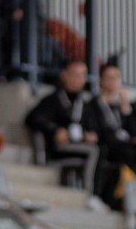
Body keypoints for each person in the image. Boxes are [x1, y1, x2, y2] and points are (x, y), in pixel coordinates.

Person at [24, 59, 102, 199]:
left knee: (101, 148)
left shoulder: (84, 102)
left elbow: (92, 128)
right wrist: (55, 130)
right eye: (75, 74)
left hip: (78, 144)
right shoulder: (54, 99)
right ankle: (88, 195)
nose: (78, 79)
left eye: (82, 75)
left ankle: (95, 196)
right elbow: (32, 118)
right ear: (65, 75)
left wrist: (89, 135)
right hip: (58, 147)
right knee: (93, 151)